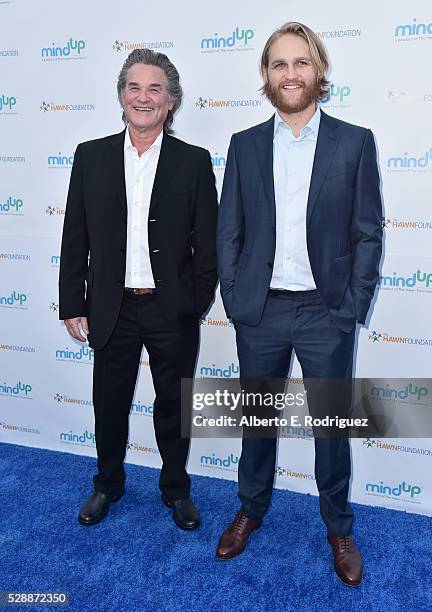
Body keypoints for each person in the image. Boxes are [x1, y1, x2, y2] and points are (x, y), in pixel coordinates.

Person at [216, 22, 382, 586]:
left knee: (331, 426)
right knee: (256, 420)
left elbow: (367, 232)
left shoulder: (355, 141)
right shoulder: (243, 145)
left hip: (325, 311)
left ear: (319, 71)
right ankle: (250, 508)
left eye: (302, 63)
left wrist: (351, 306)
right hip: (259, 310)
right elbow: (228, 232)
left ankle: (338, 525)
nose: (291, 73)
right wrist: (237, 297)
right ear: (266, 75)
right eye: (280, 64)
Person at [59, 48, 218, 530]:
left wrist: (193, 302)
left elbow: (207, 246)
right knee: (109, 404)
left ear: (171, 102)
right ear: (121, 97)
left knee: (173, 404)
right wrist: (72, 302)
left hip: (171, 309)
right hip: (111, 307)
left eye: (154, 89)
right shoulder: (91, 156)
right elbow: (74, 237)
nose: (143, 97)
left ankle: (176, 489)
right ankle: (107, 484)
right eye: (134, 87)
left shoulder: (193, 162)